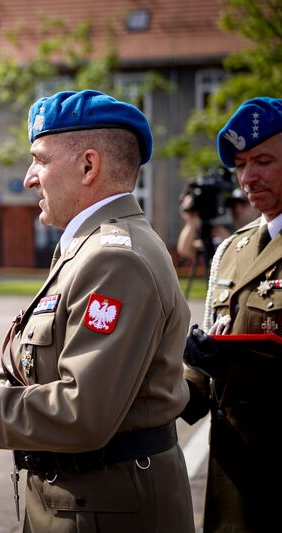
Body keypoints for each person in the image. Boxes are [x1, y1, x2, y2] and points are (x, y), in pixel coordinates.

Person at [0, 90, 195, 531]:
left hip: (108, 510)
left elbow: (79, 413)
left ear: (89, 166)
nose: (29, 177)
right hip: (80, 502)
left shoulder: (115, 258)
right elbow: (32, 382)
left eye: (40, 160)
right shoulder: (87, 249)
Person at [181, 96, 282, 532]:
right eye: (241, 164)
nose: (247, 177)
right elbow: (210, 364)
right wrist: (182, 381)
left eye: (263, 161)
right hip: (233, 479)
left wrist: (236, 370)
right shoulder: (231, 250)